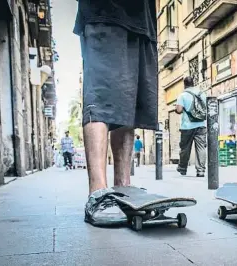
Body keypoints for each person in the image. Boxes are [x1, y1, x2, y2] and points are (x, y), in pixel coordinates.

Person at [73, 0, 158, 226]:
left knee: (127, 100)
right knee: (100, 96)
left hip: (142, 19)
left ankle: (123, 187)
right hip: (104, 12)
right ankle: (98, 192)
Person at [175, 76, 207, 178]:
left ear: (184, 84)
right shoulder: (202, 94)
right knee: (201, 148)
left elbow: (179, 110)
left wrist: (176, 109)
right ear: (194, 83)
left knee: (185, 148)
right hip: (201, 125)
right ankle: (201, 171)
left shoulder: (182, 95)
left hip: (187, 126)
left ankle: (183, 168)